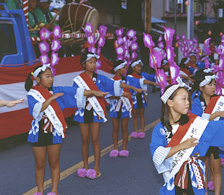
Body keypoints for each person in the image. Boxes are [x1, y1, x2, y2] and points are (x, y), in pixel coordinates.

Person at [150, 77, 224, 195]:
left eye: (188, 98)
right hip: (173, 176)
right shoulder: (160, 129)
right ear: (170, 102)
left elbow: (214, 127)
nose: (187, 102)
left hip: (193, 173)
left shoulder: (193, 120)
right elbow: (157, 154)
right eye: (183, 99)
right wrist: (181, 146)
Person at [25, 64, 107, 195]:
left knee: (54, 162)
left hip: (54, 132)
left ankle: (54, 190)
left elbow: (74, 92)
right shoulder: (33, 94)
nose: (51, 79)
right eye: (47, 76)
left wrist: (93, 92)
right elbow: (36, 111)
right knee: (40, 164)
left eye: (52, 76)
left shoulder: (57, 90)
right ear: (38, 80)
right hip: (38, 132)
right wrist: (51, 98)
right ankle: (40, 191)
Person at [74, 53, 145, 179]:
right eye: (90, 62)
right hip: (83, 112)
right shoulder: (78, 80)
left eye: (95, 62)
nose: (93, 64)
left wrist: (134, 88)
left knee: (95, 139)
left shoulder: (100, 78)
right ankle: (85, 166)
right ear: (84, 64)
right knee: (84, 140)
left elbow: (116, 84)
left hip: (96, 112)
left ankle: (96, 167)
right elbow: (75, 94)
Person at [108, 60, 151, 158]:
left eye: (125, 68)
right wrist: (118, 95)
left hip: (125, 107)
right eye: (123, 68)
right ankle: (115, 148)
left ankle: (124, 148)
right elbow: (108, 95)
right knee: (115, 128)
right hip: (115, 107)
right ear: (117, 70)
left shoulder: (127, 79)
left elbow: (139, 82)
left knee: (124, 128)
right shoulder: (111, 81)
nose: (125, 70)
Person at [127, 59, 158, 139]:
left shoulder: (142, 75)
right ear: (133, 68)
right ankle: (136, 130)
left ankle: (142, 131)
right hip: (134, 97)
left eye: (140, 67)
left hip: (141, 97)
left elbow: (150, 79)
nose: (140, 68)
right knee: (135, 115)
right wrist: (152, 83)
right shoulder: (129, 77)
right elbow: (140, 83)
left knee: (141, 114)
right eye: (138, 67)